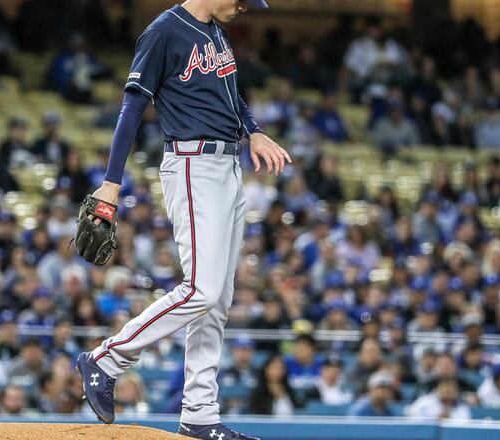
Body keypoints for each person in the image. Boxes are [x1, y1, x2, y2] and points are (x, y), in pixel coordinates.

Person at [75, 2, 289, 439]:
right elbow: (131, 110)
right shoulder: (164, 31)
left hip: (229, 166)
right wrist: (111, 183)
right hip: (192, 166)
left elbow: (231, 95)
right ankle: (107, 358)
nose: (245, 5)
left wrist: (254, 129)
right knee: (201, 290)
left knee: (218, 300)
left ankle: (199, 414)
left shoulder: (215, 31)